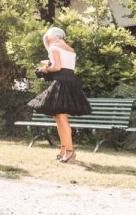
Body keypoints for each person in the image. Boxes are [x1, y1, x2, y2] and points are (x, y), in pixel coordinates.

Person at [28, 27, 91, 163]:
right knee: (59, 117)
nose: (48, 42)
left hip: (62, 83)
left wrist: (43, 69)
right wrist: (51, 66)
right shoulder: (71, 49)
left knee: (61, 119)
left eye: (48, 39)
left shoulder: (54, 47)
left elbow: (57, 67)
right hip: (71, 82)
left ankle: (69, 151)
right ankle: (63, 149)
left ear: (53, 37)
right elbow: (66, 68)